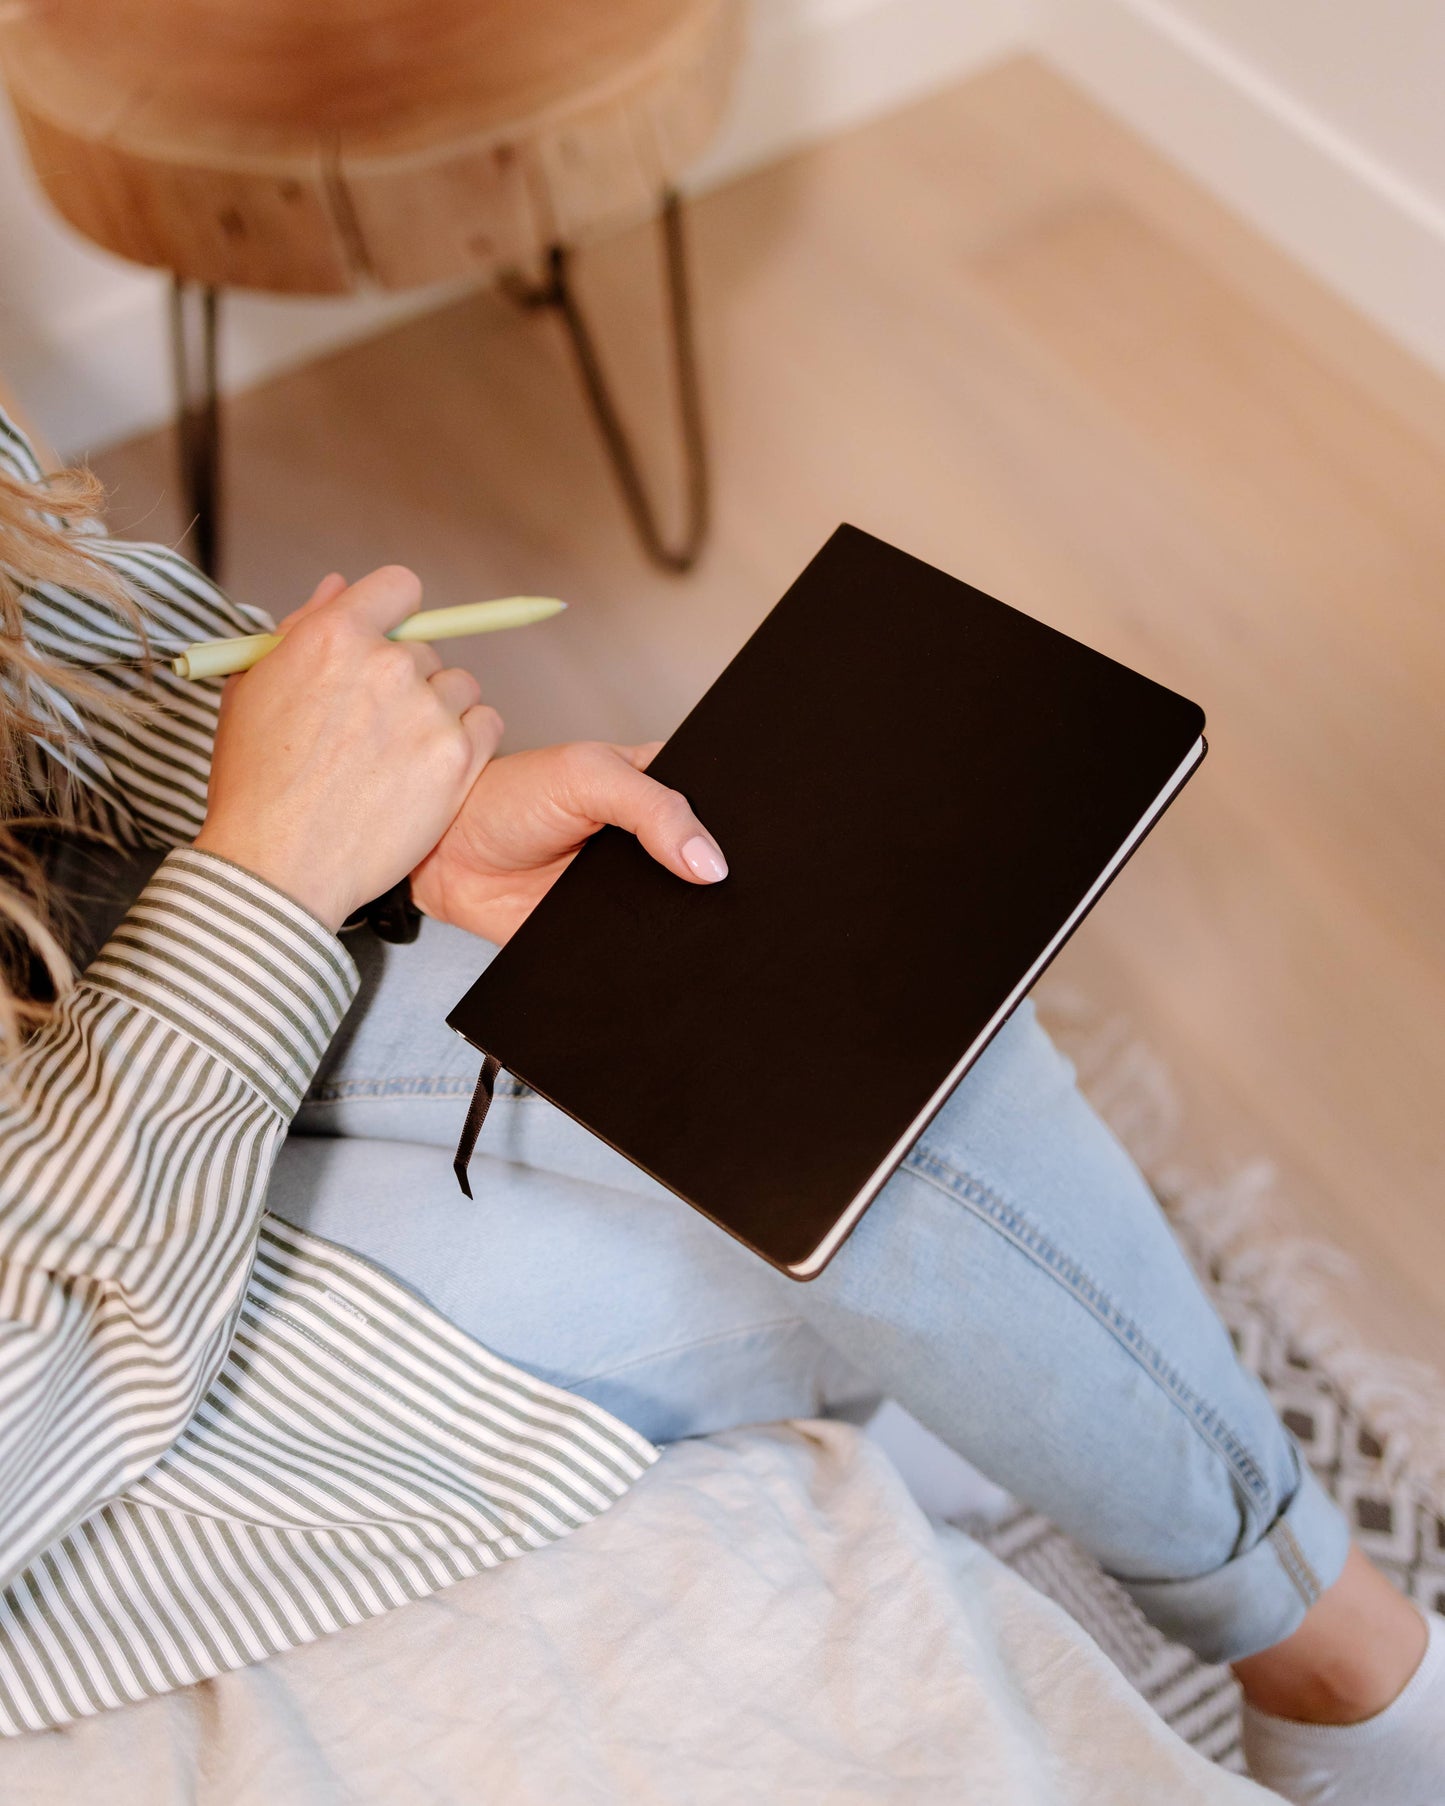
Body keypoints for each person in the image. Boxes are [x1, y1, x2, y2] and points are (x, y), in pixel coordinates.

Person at [0, 402, 1437, 1803]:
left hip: (98, 1002)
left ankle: (1321, 1648)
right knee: (829, 1177)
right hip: (71, 1368)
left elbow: (79, 677)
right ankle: (1324, 1659)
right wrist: (266, 880)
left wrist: (367, 825)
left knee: (818, 1007)